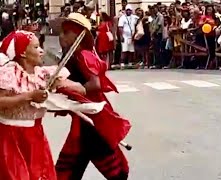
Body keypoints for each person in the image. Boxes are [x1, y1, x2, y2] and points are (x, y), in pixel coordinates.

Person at [0, 30, 85, 180]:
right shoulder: (8, 74)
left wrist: (61, 89)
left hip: (35, 136)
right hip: (10, 138)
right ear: (23, 53)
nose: (41, 51)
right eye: (36, 47)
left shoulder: (42, 75)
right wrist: (29, 96)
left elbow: (80, 89)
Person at [55, 13, 131, 180]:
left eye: (66, 32)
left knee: (99, 158)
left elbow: (94, 84)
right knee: (72, 163)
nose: (61, 36)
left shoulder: (84, 55)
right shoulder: (73, 55)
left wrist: (75, 88)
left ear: (78, 35)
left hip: (92, 117)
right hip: (83, 116)